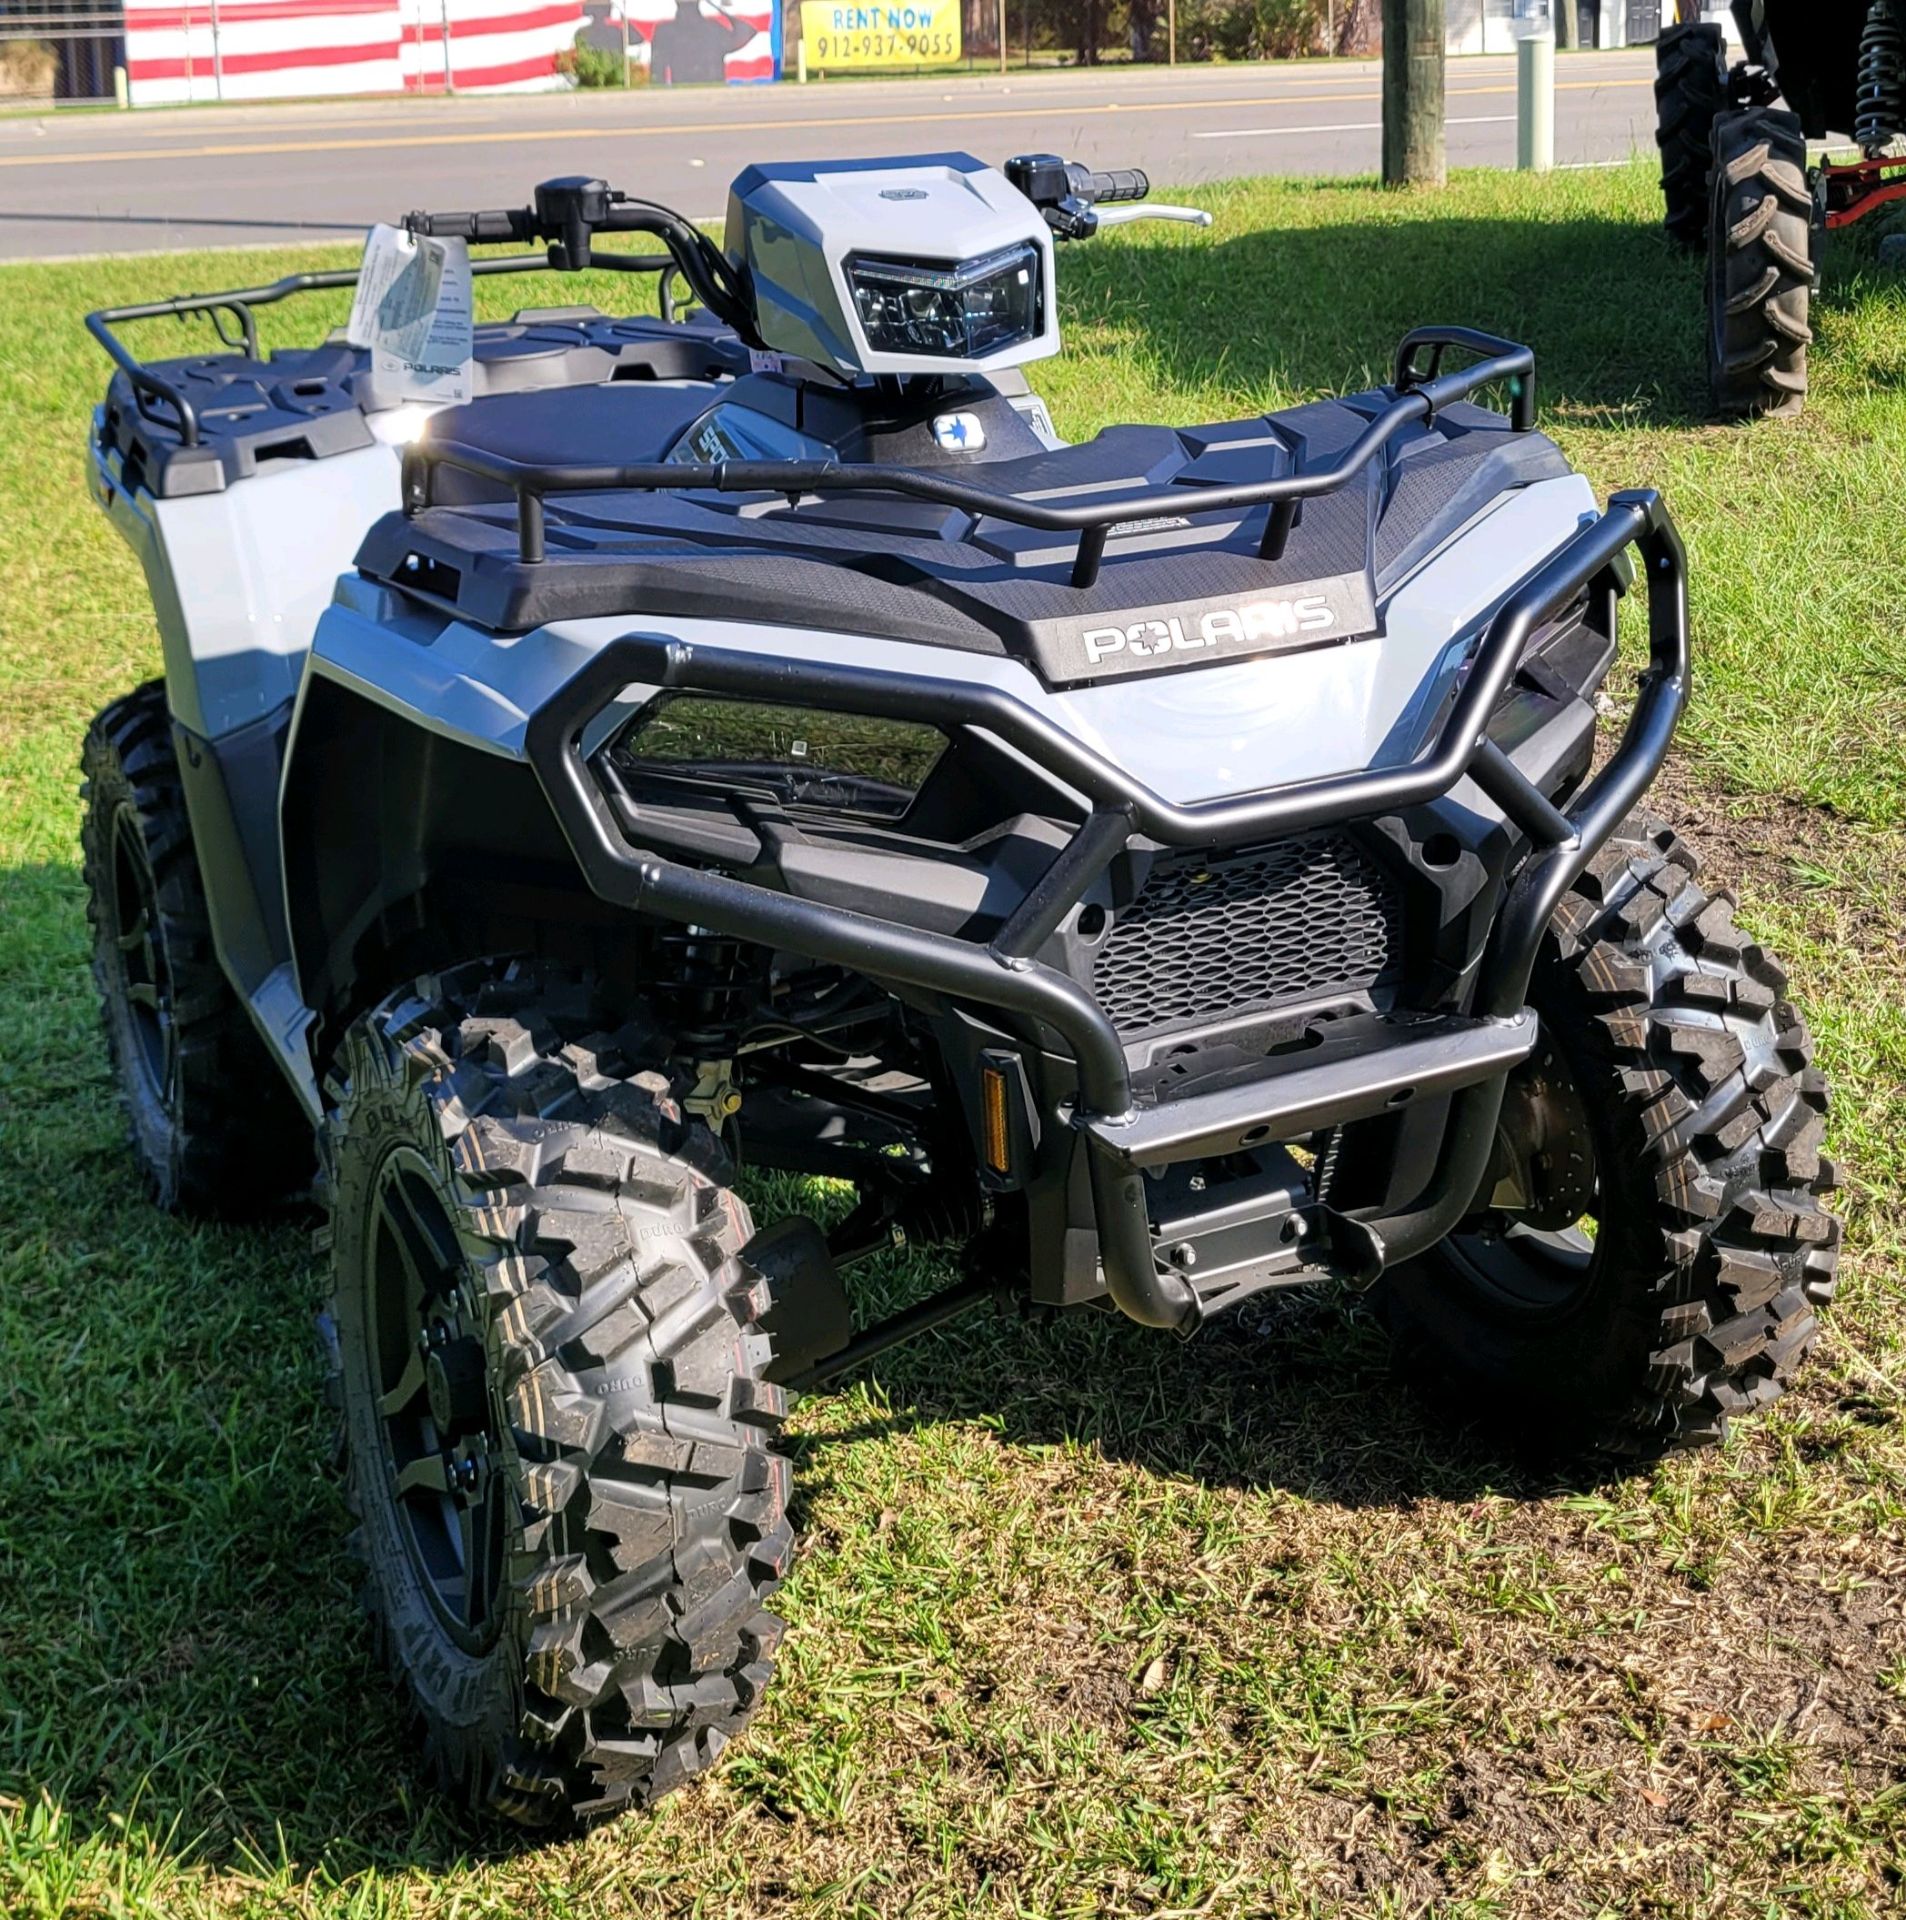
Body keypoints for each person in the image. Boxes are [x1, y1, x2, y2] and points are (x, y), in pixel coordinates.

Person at [648, 0, 750, 83]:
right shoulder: (713, 29)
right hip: (699, 96)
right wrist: (718, 8)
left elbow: (657, 75)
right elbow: (746, 31)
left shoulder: (665, 32)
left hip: (698, 96)